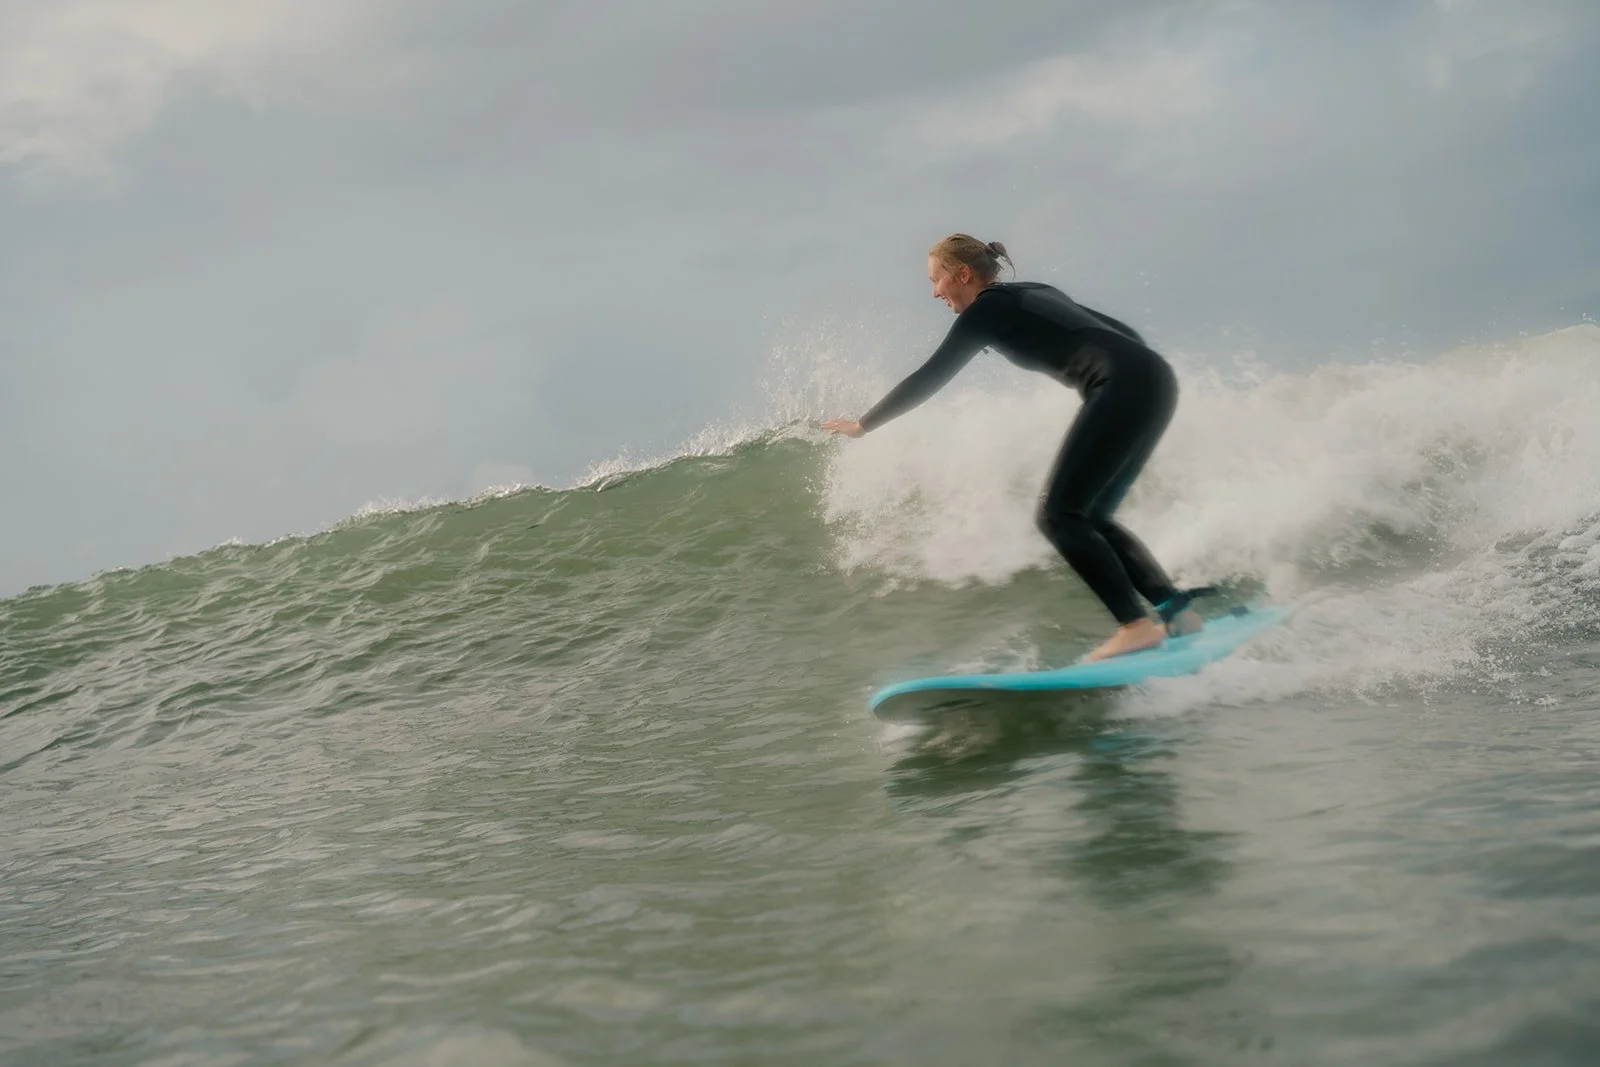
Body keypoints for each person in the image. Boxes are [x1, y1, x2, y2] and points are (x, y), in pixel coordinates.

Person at [821, 233, 1205, 662]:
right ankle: (1177, 612)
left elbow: (928, 378)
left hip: (1122, 387)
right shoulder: (1033, 292)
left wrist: (863, 425)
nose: (933, 292)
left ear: (962, 274)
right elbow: (1124, 333)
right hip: (1154, 379)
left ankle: (1135, 627)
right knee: (1091, 513)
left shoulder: (983, 313)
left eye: (936, 280)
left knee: (1058, 514)